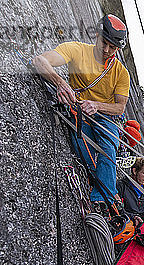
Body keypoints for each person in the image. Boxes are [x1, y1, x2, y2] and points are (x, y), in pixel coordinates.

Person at [33, 14, 130, 213]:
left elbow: (120, 108)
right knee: (81, 147)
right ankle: (104, 187)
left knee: (108, 149)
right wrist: (60, 83)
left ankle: (103, 200)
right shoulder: (77, 50)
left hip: (105, 117)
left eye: (113, 47)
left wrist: (96, 105)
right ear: (97, 34)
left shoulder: (121, 73)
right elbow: (40, 60)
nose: (106, 50)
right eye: (104, 42)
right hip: (78, 111)